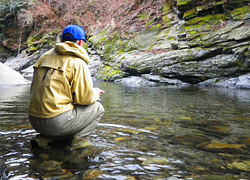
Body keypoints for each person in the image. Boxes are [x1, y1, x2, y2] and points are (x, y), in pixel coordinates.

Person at [28, 24, 105, 149]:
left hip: (34, 119)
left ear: (62, 40)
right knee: (97, 108)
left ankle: (44, 139)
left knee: (66, 111)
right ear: (80, 43)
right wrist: (95, 93)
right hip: (55, 122)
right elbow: (84, 99)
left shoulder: (44, 57)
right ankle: (77, 143)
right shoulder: (77, 62)